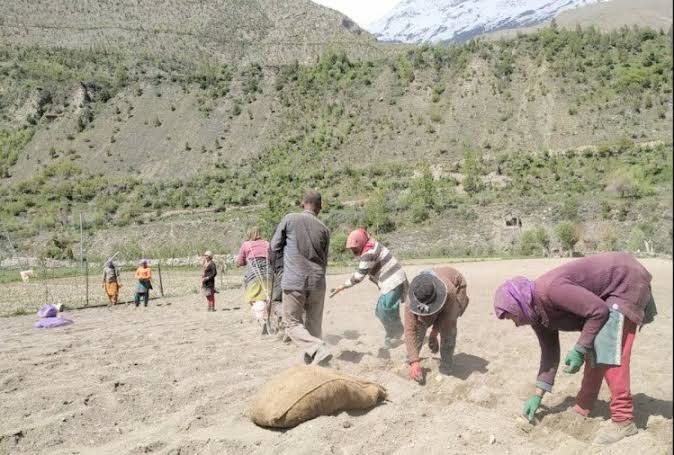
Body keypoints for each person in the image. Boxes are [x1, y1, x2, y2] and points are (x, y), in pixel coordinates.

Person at [493, 252, 657, 445]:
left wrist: (579, 349)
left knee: (609, 350)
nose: (515, 323)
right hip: (611, 289)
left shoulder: (550, 290)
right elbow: (550, 353)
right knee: (595, 347)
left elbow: (598, 311)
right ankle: (583, 406)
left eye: (512, 316)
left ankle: (623, 421)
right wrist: (538, 395)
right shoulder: (536, 314)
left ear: (518, 303)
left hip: (625, 280)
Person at [270, 190, 331, 366]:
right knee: (314, 326)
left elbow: (274, 246)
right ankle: (316, 360)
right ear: (319, 207)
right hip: (318, 282)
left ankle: (318, 349)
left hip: (295, 280)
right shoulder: (324, 229)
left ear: (303, 203)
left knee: (291, 324)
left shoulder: (290, 219)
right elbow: (325, 260)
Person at [329, 228, 407, 348]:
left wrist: (341, 287)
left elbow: (359, 277)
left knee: (384, 309)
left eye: (354, 248)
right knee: (383, 310)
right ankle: (394, 333)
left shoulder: (368, 253)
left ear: (361, 242)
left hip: (393, 280)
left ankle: (395, 334)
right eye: (351, 249)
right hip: (392, 280)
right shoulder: (370, 245)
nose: (353, 251)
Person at [404, 266, 469, 383]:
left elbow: (446, 317)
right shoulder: (410, 302)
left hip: (457, 286)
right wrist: (414, 361)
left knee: (449, 329)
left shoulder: (449, 291)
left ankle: (446, 366)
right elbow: (410, 330)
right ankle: (412, 359)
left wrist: (434, 332)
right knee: (419, 325)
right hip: (432, 295)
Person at [235, 226, 272, 321]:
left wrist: (240, 263)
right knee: (267, 297)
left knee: (253, 298)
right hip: (268, 275)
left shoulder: (246, 245)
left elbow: (239, 262)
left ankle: (260, 318)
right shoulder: (267, 244)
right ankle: (267, 317)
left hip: (253, 277)